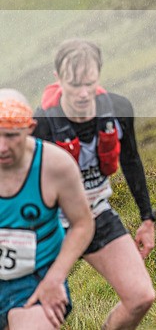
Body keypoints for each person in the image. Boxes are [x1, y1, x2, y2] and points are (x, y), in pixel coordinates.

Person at [32, 40, 156, 329]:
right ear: (58, 78)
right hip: (49, 224)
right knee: (40, 315)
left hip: (96, 213)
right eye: (74, 84)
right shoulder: (41, 125)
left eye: (89, 82)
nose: (83, 93)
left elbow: (132, 162)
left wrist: (147, 218)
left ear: (99, 76)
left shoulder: (118, 109)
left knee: (141, 297)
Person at [1, 89, 94, 330]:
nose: (2, 147)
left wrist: (55, 278)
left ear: (30, 128)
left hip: (34, 279)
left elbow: (83, 223)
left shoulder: (56, 165)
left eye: (11, 136)